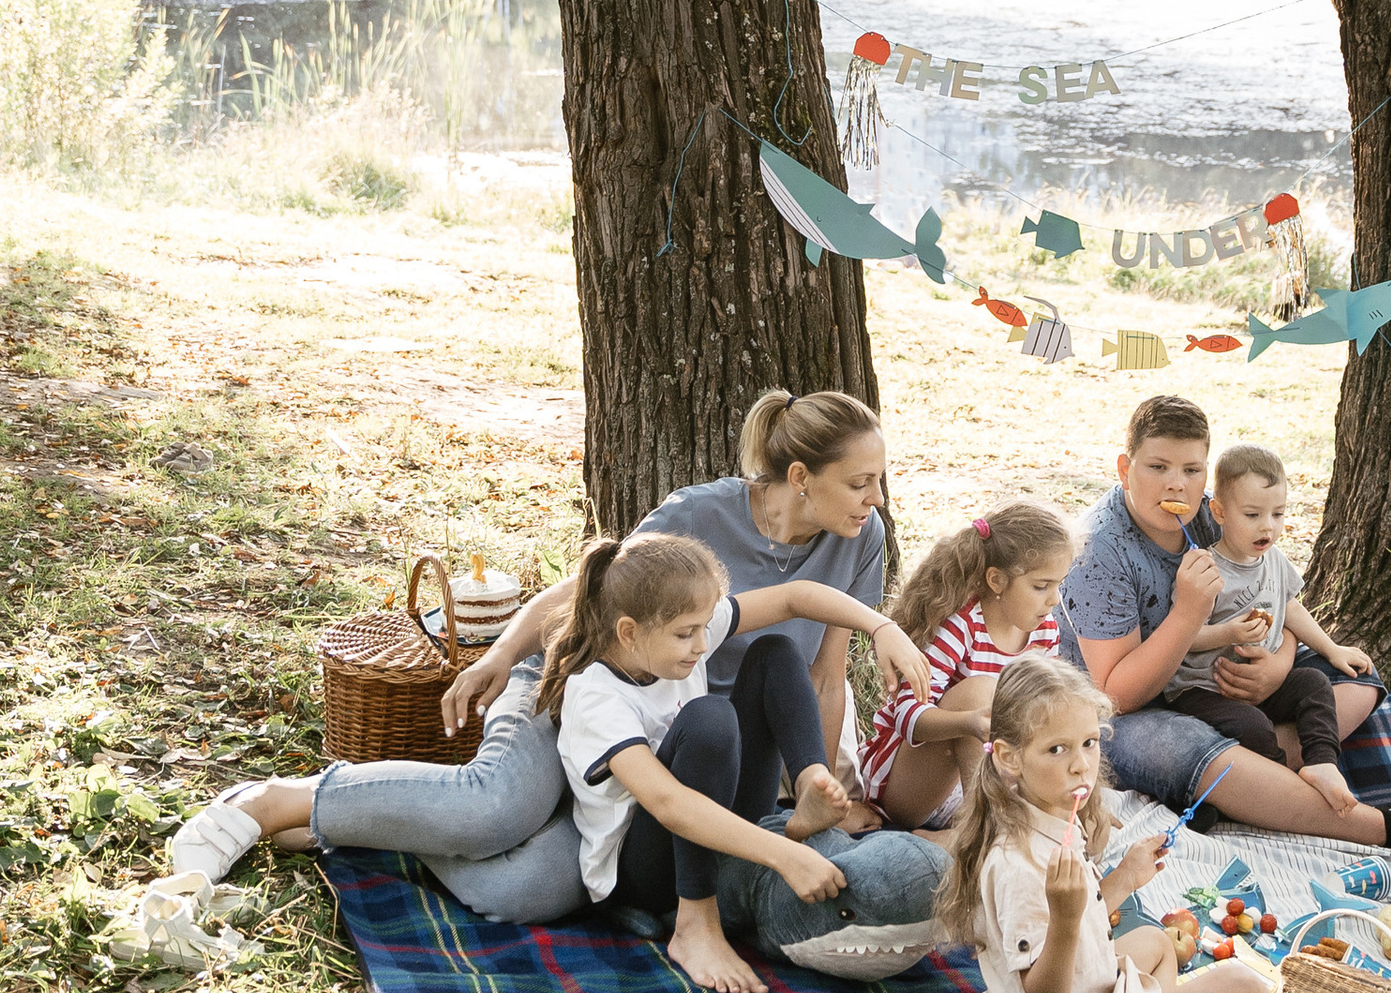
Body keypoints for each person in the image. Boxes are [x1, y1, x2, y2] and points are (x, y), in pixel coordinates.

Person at [168, 387, 929, 937]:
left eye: (877, 481)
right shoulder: (701, 517)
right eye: (859, 482)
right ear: (801, 476)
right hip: (588, 681)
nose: (873, 499)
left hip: (676, 730)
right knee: (495, 809)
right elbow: (592, 588)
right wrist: (502, 655)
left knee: (531, 889)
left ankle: (376, 827)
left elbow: (821, 675)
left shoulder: (858, 539)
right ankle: (278, 800)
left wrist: (819, 783)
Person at [944, 656, 1333, 993]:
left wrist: (1124, 878)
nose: (1081, 766)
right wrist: (1067, 920)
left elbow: (1083, 914)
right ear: (1008, 758)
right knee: (1241, 989)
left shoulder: (1045, 819)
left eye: (1088, 743)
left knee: (1154, 942)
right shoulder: (1018, 865)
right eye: (1057, 750)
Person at [544, 530, 923, 993]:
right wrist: (786, 855)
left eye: (704, 628)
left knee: (775, 653)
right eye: (686, 634)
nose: (703, 645)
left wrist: (880, 627)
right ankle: (695, 922)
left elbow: (793, 598)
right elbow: (667, 803)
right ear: (629, 631)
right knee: (710, 720)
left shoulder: (679, 639)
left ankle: (809, 784)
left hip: (718, 821)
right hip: (645, 871)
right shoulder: (597, 697)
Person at [1061, 392, 1383, 841]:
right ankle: (1379, 825)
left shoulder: (1210, 514)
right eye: (1158, 467)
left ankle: (1247, 782)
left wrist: (1276, 666)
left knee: (1360, 677)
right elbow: (1117, 696)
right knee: (1194, 751)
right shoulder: (1097, 551)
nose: (1177, 485)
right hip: (1133, 714)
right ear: (1124, 469)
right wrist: (1188, 614)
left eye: (1191, 470)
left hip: (1221, 679)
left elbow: (1274, 595)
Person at [1161, 445, 1378, 828]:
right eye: (1253, 515)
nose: (1268, 527)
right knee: (1253, 727)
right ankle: (1280, 794)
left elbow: (1290, 608)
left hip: (1262, 681)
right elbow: (1182, 638)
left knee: (1312, 683)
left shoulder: (1274, 560)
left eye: (1278, 514)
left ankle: (1322, 763)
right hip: (1203, 688)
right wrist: (1227, 633)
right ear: (1220, 512)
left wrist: (1331, 648)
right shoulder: (1205, 568)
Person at [858, 504, 1073, 829]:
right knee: (980, 693)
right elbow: (906, 717)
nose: (1054, 599)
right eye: (1041, 586)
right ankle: (986, 832)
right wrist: (968, 722)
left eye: (1059, 584)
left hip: (979, 780)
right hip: (906, 789)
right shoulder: (961, 628)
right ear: (997, 580)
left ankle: (976, 828)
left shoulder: (1044, 631)